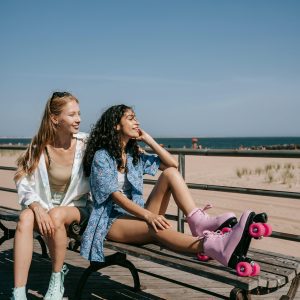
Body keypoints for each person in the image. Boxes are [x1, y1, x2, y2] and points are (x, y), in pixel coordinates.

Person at [80, 104, 267, 276]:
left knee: (170, 174)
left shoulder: (133, 154)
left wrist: (149, 140)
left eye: (136, 118)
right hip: (111, 221)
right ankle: (213, 246)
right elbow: (115, 196)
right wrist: (148, 216)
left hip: (137, 215)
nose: (136, 122)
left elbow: (173, 164)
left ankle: (198, 222)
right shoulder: (101, 156)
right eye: (130, 118)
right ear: (116, 126)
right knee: (154, 226)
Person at [12, 92, 91, 300]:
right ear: (55, 119)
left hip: (76, 208)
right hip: (45, 207)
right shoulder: (39, 146)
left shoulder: (86, 144)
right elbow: (22, 179)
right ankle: (18, 292)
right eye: (72, 114)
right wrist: (36, 206)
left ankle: (57, 278)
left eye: (79, 114)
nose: (79, 119)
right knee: (25, 217)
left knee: (56, 214)